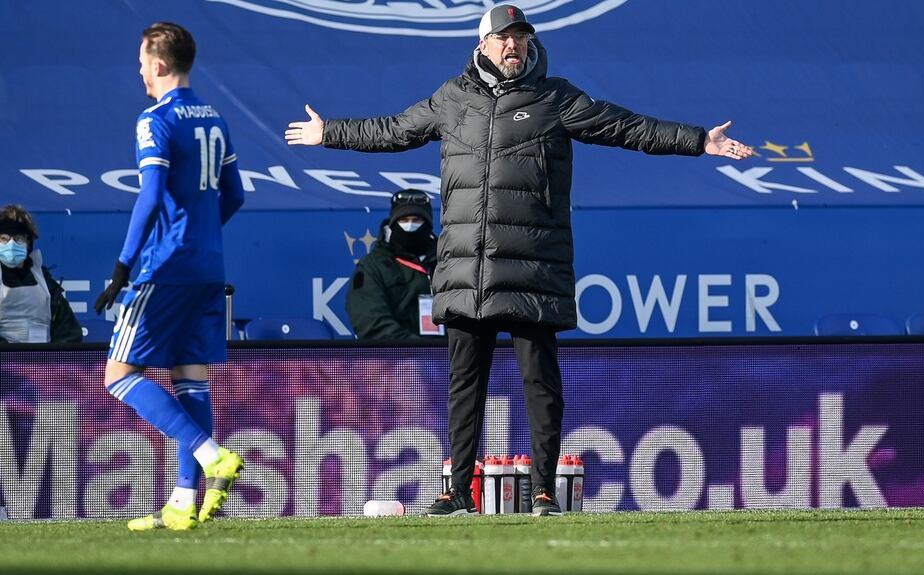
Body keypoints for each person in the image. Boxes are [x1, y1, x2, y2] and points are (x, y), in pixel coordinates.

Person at [285, 4, 755, 516]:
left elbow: (627, 127)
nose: (514, 46)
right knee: (465, 384)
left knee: (540, 385)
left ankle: (544, 490)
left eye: (521, 39)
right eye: (504, 39)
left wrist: (696, 141)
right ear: (482, 46)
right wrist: (328, 132)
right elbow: (394, 130)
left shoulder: (555, 99)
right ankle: (456, 490)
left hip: (532, 269)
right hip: (468, 270)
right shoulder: (452, 98)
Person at [92, 22, 246, 531]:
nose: (139, 68)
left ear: (159, 64)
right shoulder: (215, 116)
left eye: (141, 60)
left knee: (118, 375)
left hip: (166, 265)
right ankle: (182, 502)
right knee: (190, 381)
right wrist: (203, 234)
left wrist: (123, 265)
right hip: (208, 266)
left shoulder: (155, 119)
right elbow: (236, 195)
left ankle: (210, 453)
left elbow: (151, 195)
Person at [346, 189, 444, 341]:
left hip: (451, 358)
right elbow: (371, 323)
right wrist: (419, 351)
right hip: (395, 360)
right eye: (403, 220)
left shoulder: (447, 263)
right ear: (392, 224)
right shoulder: (372, 267)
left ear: (429, 225)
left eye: (417, 220)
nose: (410, 225)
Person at [0, 205, 82, 344]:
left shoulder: (48, 287)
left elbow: (70, 334)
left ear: (28, 243)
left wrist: (52, 361)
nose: (11, 244)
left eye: (18, 238)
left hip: (43, 363)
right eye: (4, 238)